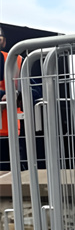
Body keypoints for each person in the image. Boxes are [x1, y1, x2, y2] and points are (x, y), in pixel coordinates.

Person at [0, 26, 23, 171]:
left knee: (11, 175)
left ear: (3, 41)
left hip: (9, 131)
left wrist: (15, 94)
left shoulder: (15, 59)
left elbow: (28, 88)